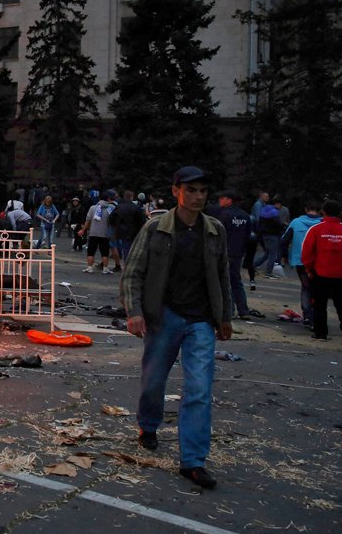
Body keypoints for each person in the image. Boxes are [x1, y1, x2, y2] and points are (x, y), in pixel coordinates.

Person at [120, 166, 231, 490]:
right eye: (191, 190)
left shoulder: (214, 230)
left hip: (200, 321)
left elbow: (223, 274)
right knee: (154, 381)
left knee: (200, 388)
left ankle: (193, 461)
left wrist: (225, 316)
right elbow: (132, 272)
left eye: (203, 191)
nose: (198, 196)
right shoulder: (156, 228)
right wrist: (134, 311)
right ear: (176, 191)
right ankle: (148, 425)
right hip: (164, 316)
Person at [300, 198, 342, 343]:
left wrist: (309, 268)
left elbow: (307, 252)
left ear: (323, 212)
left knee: (319, 304)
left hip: (320, 273)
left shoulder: (315, 230)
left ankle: (321, 333)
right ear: (340, 214)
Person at [213, 191, 261, 321]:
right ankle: (243, 310)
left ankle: (230, 311)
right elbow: (248, 236)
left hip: (225, 252)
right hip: (238, 252)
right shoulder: (245, 216)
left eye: (221, 198)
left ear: (229, 200)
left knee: (225, 281)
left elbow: (218, 234)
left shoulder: (223, 215)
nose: (219, 201)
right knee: (236, 281)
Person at [280, 199, 323, 328]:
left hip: (300, 260)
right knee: (318, 288)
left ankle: (307, 315)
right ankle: (316, 315)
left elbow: (284, 240)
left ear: (305, 209)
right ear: (320, 210)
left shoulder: (296, 222)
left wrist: (285, 256)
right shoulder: (322, 223)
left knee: (305, 287)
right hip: (319, 262)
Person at [79, 191, 116, 273]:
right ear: (108, 199)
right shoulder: (111, 208)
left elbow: (88, 221)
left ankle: (89, 267)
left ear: (99, 198)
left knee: (91, 251)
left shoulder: (93, 208)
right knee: (105, 252)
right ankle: (105, 268)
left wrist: (83, 230)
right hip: (105, 233)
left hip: (93, 232)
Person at [109, 190, 147, 271]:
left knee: (123, 247)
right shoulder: (136, 207)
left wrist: (116, 225)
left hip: (121, 230)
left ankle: (123, 264)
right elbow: (142, 220)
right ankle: (129, 265)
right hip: (133, 231)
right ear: (132, 197)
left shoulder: (119, 207)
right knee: (131, 249)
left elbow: (111, 218)